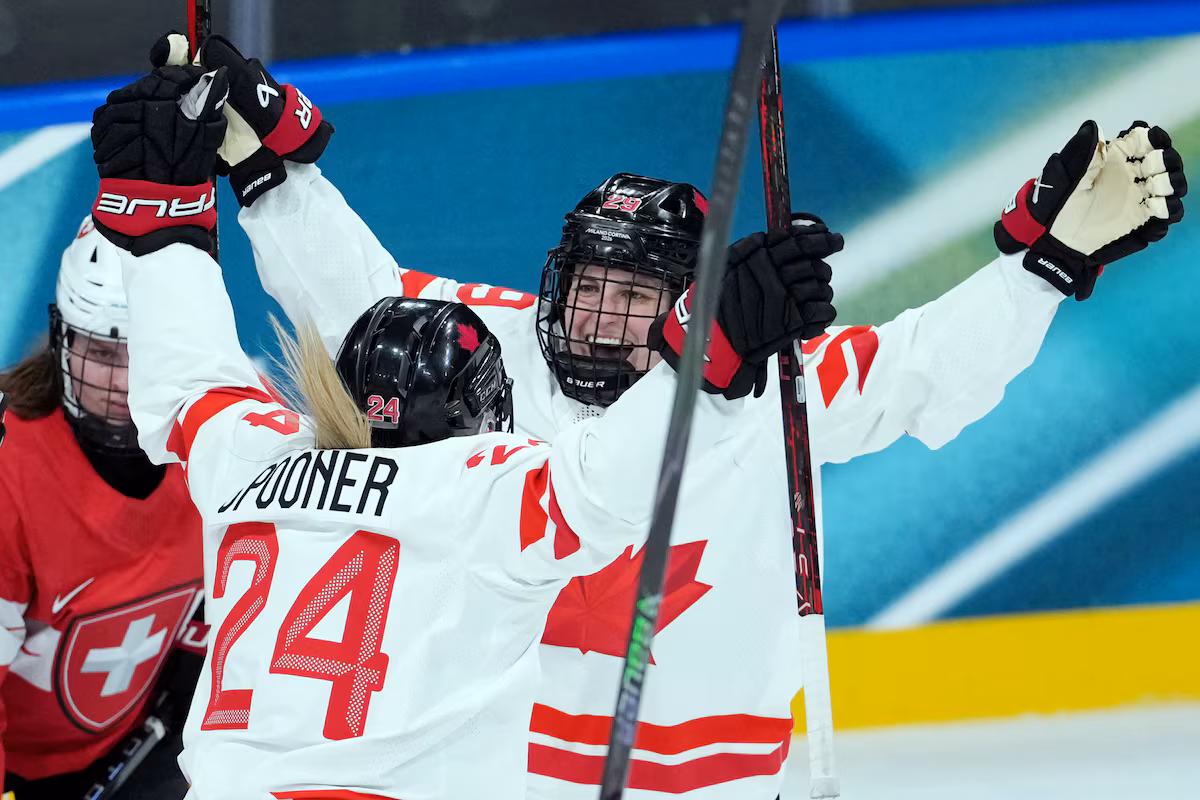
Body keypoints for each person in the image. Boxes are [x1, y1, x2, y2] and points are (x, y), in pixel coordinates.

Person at [176, 35, 1186, 798]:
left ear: (692, 301)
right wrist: (268, 172)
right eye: (587, 288)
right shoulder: (503, 342)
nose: (600, 319)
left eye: (635, 295)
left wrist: (1045, 267)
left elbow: (925, 367)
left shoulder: (770, 386)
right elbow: (357, 295)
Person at [87, 62, 824, 800]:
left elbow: (188, 385)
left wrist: (161, 219)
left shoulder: (252, 462)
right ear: (481, 412)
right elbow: (604, 486)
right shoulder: (482, 497)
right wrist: (707, 357)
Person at [0, 216, 204, 799]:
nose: (126, 380)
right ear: (64, 339)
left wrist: (190, 678)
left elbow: (227, 594)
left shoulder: (221, 436)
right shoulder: (9, 472)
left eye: (147, 351)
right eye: (102, 352)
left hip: (146, 733)